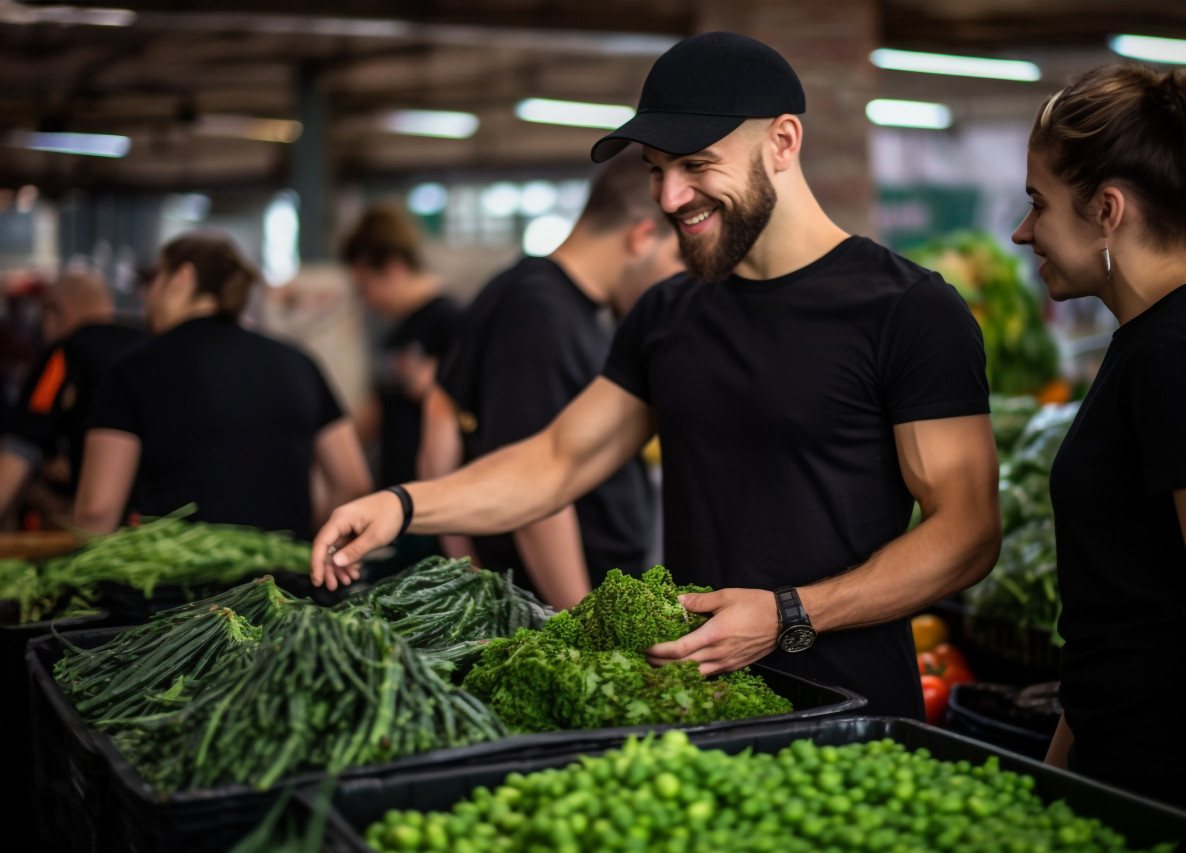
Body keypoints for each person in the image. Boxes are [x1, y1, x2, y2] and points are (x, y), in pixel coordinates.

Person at [313, 31, 1001, 718]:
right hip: (694, 715)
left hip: (856, 719)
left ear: (784, 142)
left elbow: (968, 531)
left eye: (697, 165)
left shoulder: (910, 310)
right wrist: (403, 504)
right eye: (655, 168)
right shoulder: (668, 312)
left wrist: (791, 613)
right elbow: (556, 460)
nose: (669, 197)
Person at [1011, 66, 1186, 838]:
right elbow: (1124, 614)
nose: (1022, 231)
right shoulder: (1146, 343)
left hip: (1177, 795)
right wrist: (1056, 776)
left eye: (1038, 203)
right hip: (1116, 780)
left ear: (1107, 210)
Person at [422, 157, 683, 610]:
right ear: (642, 237)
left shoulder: (530, 292)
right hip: (560, 607)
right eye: (679, 257)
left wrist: (463, 569)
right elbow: (537, 486)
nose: (684, 279)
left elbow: (439, 414)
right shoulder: (542, 313)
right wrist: (578, 620)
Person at [74, 231, 372, 539]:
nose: (146, 296)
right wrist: (302, 546)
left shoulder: (133, 368)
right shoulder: (299, 362)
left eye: (156, 279)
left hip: (173, 580)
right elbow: (353, 484)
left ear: (182, 277)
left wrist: (73, 572)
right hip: (284, 583)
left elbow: (97, 509)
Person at [0, 269, 146, 525]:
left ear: (58, 312)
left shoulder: (64, 354)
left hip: (93, 527)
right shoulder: (147, 346)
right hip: (154, 525)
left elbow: (23, 445)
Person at [342, 204, 462, 490]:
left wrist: (437, 383)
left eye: (365, 286)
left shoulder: (451, 320)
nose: (366, 300)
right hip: (398, 493)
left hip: (435, 494)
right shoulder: (396, 334)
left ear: (394, 267)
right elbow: (376, 411)